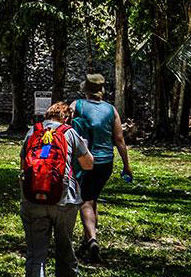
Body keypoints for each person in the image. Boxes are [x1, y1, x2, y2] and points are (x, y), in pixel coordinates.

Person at [21, 102, 94, 277]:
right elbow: (88, 164)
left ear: (47, 115)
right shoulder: (69, 132)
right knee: (64, 249)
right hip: (64, 198)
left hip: (32, 198)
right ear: (67, 117)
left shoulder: (33, 131)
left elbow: (23, 165)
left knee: (36, 254)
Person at [72, 74, 132, 263]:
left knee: (84, 200)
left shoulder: (77, 105)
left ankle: (92, 240)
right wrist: (126, 165)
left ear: (86, 89)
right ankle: (87, 238)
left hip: (85, 160)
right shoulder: (111, 109)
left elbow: (64, 127)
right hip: (106, 162)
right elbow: (120, 139)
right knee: (93, 197)